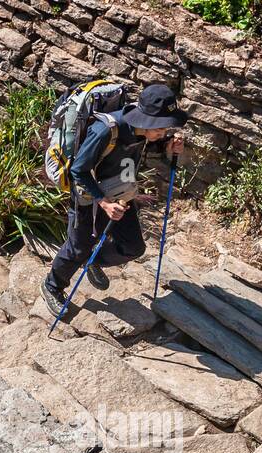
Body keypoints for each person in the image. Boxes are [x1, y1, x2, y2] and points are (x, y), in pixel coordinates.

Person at [40, 83, 188, 317]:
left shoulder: (142, 132)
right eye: (161, 129)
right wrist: (103, 202)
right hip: (89, 195)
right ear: (145, 120)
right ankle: (52, 285)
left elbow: (144, 146)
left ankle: (92, 260)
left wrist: (167, 146)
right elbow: (78, 170)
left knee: (133, 247)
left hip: (121, 192)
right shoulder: (106, 130)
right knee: (78, 246)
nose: (165, 132)